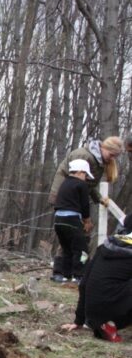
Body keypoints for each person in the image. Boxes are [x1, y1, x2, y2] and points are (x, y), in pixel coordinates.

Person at [48, 136, 123, 282]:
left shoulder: (98, 162)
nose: (112, 159)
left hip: (72, 204)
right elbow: (78, 186)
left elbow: (89, 186)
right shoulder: (83, 157)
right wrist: (86, 218)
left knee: (72, 241)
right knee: (74, 242)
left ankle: (65, 273)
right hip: (67, 202)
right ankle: (74, 273)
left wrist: (99, 198)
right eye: (112, 155)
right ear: (105, 148)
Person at [63, 214, 132, 342]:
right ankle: (111, 322)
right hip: (112, 308)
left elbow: (83, 284)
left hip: (93, 315)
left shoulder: (105, 246)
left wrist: (79, 321)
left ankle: (107, 325)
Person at [51, 160, 92, 284]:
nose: (86, 178)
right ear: (80, 172)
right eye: (86, 175)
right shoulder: (81, 185)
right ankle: (79, 275)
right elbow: (85, 205)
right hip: (72, 220)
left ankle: (64, 274)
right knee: (81, 249)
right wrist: (87, 221)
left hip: (58, 220)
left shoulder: (64, 183)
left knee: (66, 248)